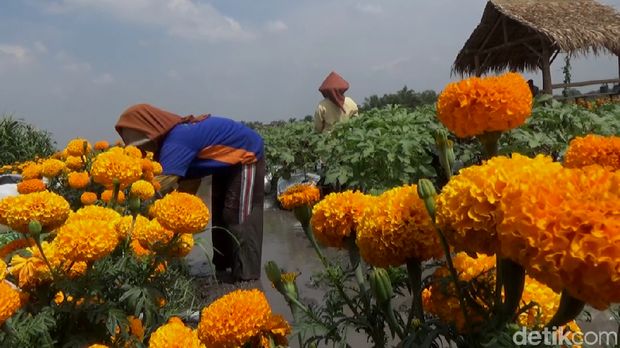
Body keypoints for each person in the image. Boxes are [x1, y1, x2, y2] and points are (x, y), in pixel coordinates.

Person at [115, 103, 265, 282]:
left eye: (144, 146)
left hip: (247, 155)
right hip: (225, 165)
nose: (144, 152)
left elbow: (159, 188)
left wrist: (136, 217)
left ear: (152, 134)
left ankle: (247, 276)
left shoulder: (177, 140)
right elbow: (187, 184)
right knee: (219, 215)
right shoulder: (170, 143)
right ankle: (223, 267)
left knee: (237, 215)